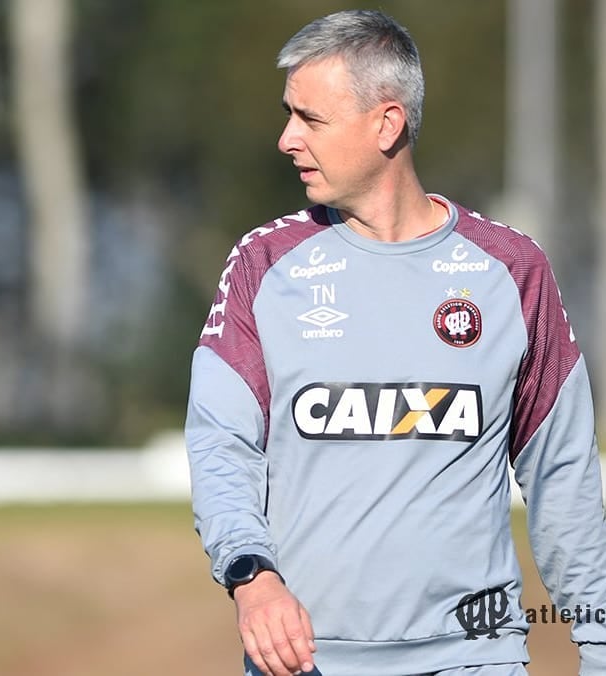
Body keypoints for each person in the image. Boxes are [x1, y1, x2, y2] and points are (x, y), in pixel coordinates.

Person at [184, 9, 606, 676]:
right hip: (308, 661)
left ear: (386, 124)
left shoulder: (513, 271)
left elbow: (563, 476)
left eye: (310, 119)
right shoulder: (263, 265)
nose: (287, 139)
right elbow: (221, 445)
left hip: (476, 657)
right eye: (289, 115)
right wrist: (251, 577)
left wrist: (599, 643)